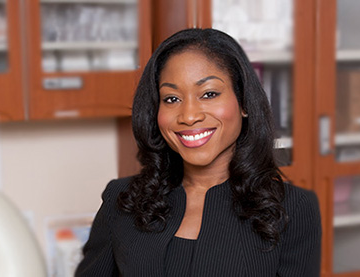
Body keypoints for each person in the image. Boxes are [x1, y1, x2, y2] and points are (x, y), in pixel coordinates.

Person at [75, 28, 321, 277]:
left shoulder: (294, 208)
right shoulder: (121, 200)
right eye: (171, 99)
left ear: (244, 102)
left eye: (209, 94)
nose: (189, 115)